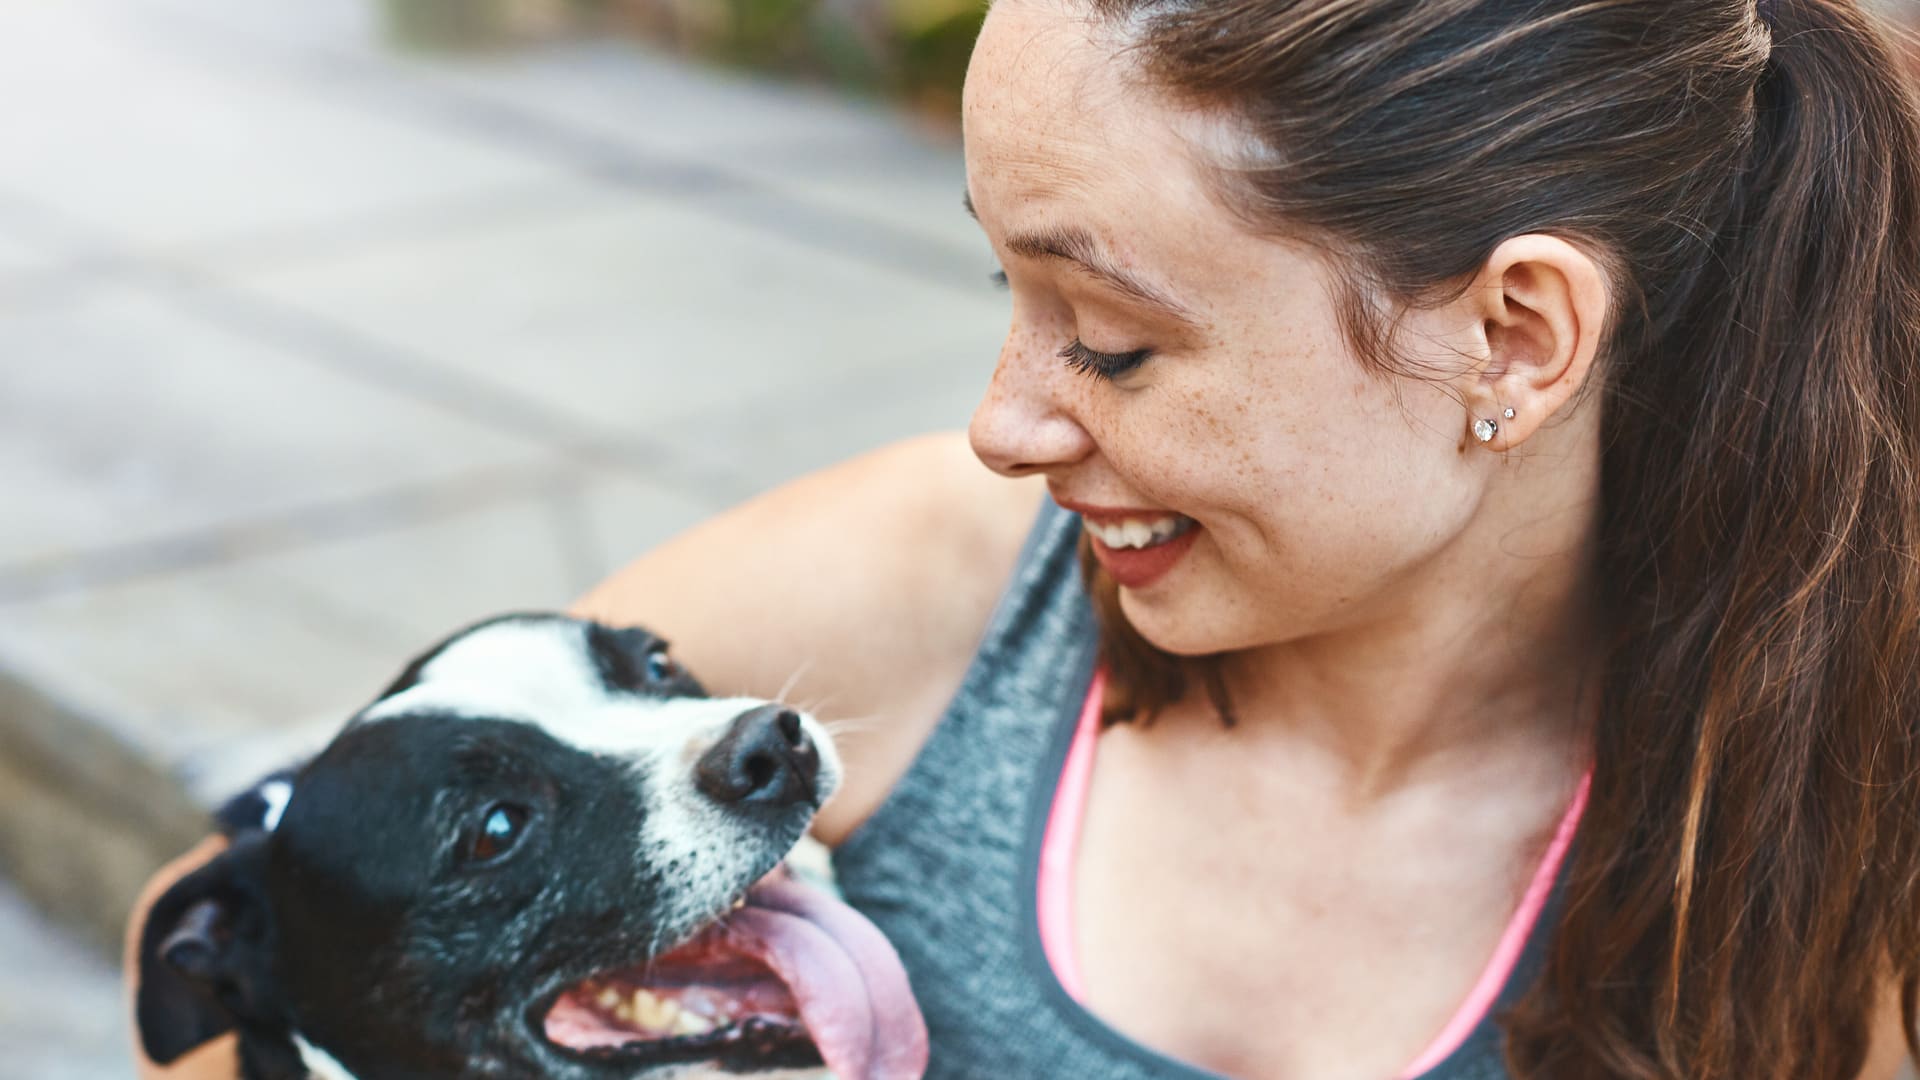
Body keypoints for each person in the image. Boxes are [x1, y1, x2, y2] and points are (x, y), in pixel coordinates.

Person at [131, 0, 1920, 1076]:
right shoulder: (931, 589)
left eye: (1115, 338)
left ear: (1514, 339)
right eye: (1009, 283)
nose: (1007, 422)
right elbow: (275, 910)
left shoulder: (1816, 826)